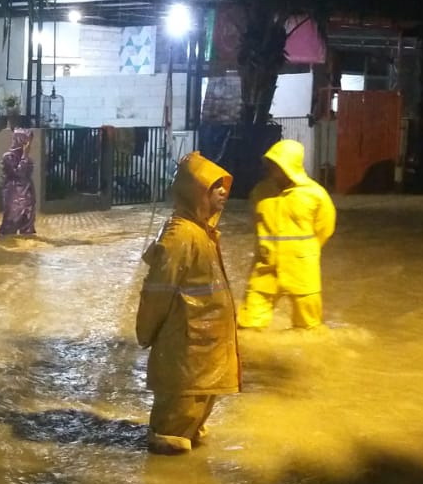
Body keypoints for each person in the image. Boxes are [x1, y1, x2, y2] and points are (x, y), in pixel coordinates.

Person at [136, 152, 239, 454]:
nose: (223, 192)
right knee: (171, 436)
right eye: (214, 186)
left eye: (223, 185)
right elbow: (157, 292)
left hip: (203, 350)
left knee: (192, 422)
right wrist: (146, 331)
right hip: (187, 348)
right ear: (196, 191)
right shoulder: (181, 235)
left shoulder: (202, 232)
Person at [237, 139, 337, 330]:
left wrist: (303, 252)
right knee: (247, 327)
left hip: (302, 270)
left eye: (275, 164)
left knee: (308, 329)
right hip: (265, 269)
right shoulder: (260, 192)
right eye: (269, 163)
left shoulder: (315, 194)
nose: (269, 168)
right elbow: (257, 226)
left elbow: (325, 229)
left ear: (289, 165)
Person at [0, 128, 36, 236]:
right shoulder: (8, 157)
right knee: (9, 227)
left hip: (27, 196)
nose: (28, 144)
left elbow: (27, 176)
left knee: (28, 229)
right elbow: (18, 174)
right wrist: (24, 156)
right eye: (26, 140)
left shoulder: (29, 158)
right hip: (13, 196)